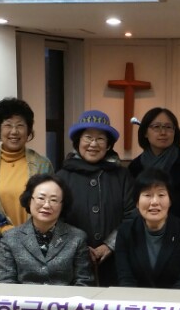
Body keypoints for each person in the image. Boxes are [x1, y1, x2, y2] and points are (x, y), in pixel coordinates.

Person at [56, 110, 135, 286]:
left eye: (100, 138)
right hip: (72, 261)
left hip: (117, 261)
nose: (93, 144)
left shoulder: (122, 176)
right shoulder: (62, 177)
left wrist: (109, 245)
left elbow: (132, 215)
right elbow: (55, 218)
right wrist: (79, 246)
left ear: (108, 145)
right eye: (88, 137)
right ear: (78, 141)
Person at [0, 98, 53, 237]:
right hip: (0, 241)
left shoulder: (42, 164)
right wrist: (5, 229)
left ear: (28, 130)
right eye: (8, 125)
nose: (14, 131)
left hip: (38, 239)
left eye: (20, 125)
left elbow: (51, 201)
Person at [0, 174, 93, 286]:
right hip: (24, 297)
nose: (46, 205)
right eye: (41, 198)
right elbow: (4, 281)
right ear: (29, 200)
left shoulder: (77, 237)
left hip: (63, 297)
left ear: (62, 205)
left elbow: (84, 282)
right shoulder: (10, 238)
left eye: (54, 200)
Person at [115, 168, 180, 289]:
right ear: (137, 202)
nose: (154, 202)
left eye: (161, 195)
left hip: (175, 299)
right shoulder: (125, 232)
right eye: (147, 195)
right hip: (136, 299)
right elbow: (126, 280)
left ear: (170, 200)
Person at [128, 107, 180, 225]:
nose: (163, 132)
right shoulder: (135, 167)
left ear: (175, 132)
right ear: (145, 132)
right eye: (156, 127)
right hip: (143, 231)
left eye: (168, 127)